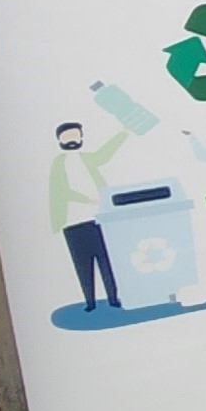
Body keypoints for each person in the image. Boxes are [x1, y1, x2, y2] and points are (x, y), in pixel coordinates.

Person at [48, 119, 127, 311]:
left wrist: (124, 133)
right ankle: (90, 302)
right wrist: (85, 199)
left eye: (75, 135)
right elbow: (61, 190)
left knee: (106, 261)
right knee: (83, 266)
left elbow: (104, 155)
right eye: (68, 137)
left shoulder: (86, 159)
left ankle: (113, 298)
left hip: (98, 218)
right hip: (73, 222)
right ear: (60, 140)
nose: (72, 140)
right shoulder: (59, 163)